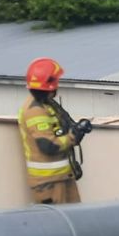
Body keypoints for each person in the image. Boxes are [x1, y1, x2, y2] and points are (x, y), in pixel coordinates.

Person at [17, 57, 91, 205]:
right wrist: (72, 137)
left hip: (62, 178)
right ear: (50, 85)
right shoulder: (35, 111)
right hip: (49, 184)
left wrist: (78, 130)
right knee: (62, 224)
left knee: (76, 220)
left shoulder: (47, 105)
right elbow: (49, 146)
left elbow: (62, 127)